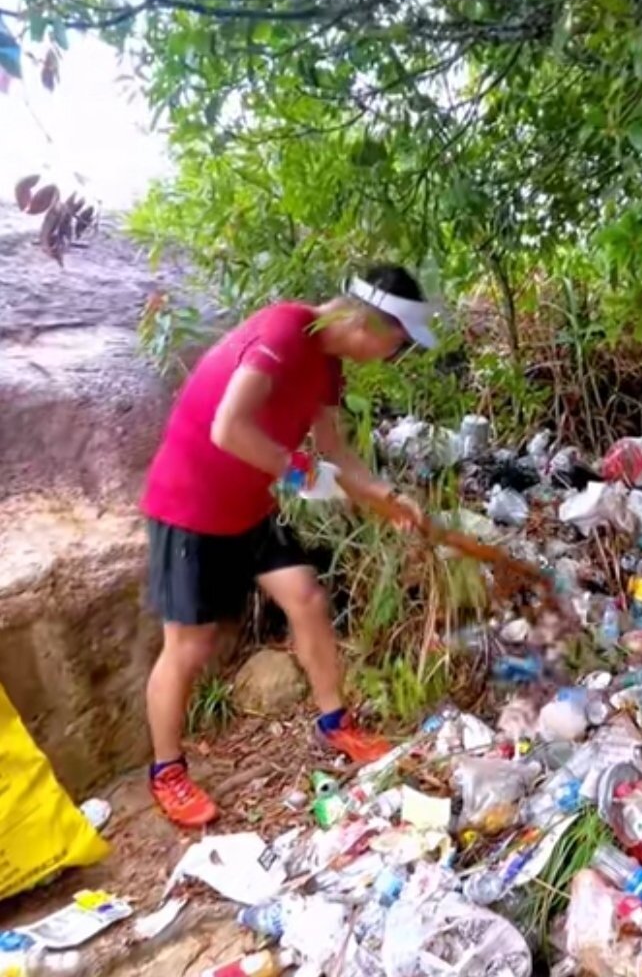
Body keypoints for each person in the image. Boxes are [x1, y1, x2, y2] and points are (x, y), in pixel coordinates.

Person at [141, 263, 438, 827]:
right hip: (189, 506)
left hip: (250, 505)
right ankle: (167, 771)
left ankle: (335, 723)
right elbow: (228, 427)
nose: (389, 359)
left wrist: (386, 498)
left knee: (306, 597)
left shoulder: (327, 368)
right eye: (396, 347)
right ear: (368, 324)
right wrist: (298, 473)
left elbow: (337, 452)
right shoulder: (282, 332)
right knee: (188, 645)